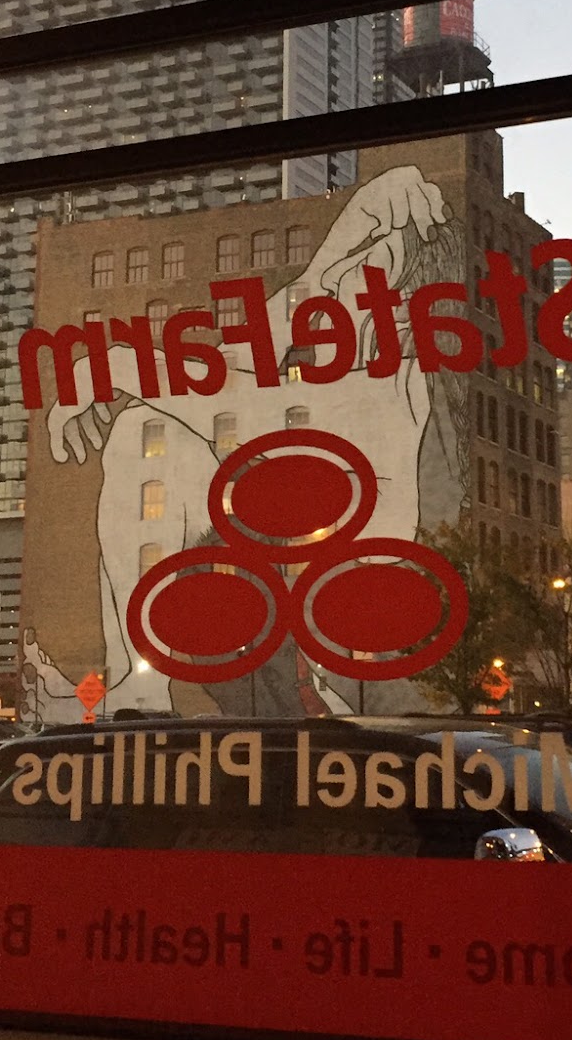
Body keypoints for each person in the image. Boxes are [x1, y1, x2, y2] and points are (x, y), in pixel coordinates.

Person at [27, 166, 467, 723]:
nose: (337, 284)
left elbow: (229, 401)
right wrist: (361, 215)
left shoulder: (397, 387)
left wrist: (112, 364)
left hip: (354, 673)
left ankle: (138, 692)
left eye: (363, 272)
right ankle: (134, 688)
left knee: (156, 421)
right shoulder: (355, 347)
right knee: (143, 428)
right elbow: (287, 312)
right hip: (281, 637)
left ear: (400, 313)